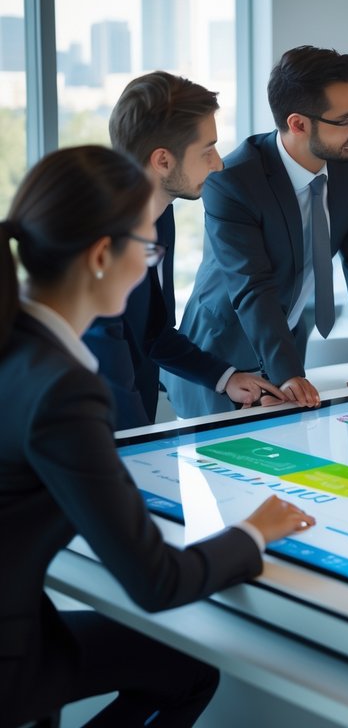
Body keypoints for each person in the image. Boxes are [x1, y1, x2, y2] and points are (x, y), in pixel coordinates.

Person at [0, 145, 316, 726]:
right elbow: (157, 582)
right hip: (11, 663)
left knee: (179, 668)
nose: (150, 264)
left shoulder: (16, 346)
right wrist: (253, 531)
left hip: (23, 616)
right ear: (101, 256)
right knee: (189, 667)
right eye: (147, 248)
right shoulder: (65, 390)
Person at [167, 46, 348, 418]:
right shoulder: (232, 183)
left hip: (287, 341)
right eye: (347, 119)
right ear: (298, 124)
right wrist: (288, 373)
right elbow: (252, 287)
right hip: (222, 352)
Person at [84, 72, 283, 429]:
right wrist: (141, 448)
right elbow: (107, 369)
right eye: (207, 150)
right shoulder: (101, 241)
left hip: (134, 432)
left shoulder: (160, 215)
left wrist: (226, 377)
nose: (219, 164)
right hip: (98, 440)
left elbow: (153, 332)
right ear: (162, 160)